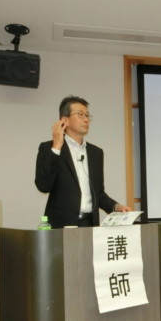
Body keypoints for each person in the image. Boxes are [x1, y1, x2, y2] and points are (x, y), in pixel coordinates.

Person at [35, 95, 131, 228]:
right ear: (65, 120)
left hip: (89, 224)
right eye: (80, 115)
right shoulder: (48, 148)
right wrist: (56, 148)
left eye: (87, 115)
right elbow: (43, 186)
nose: (86, 119)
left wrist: (116, 207)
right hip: (62, 226)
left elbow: (98, 193)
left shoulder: (96, 153)